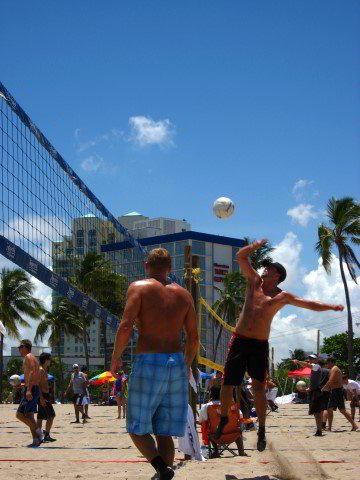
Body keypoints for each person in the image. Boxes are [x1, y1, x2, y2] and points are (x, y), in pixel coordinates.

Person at [215, 239, 345, 452]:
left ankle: (262, 431)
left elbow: (308, 304)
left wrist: (331, 306)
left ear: (277, 275)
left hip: (258, 344)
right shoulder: (254, 281)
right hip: (239, 341)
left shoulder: (281, 296)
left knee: (258, 387)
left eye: (270, 268)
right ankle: (222, 420)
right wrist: (254, 246)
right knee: (227, 384)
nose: (265, 268)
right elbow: (240, 256)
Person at [111, 247, 199, 480]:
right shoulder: (185, 295)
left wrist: (115, 356)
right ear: (170, 268)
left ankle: (162, 468)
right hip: (177, 362)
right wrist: (187, 364)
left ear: (146, 266)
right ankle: (164, 475)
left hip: (149, 361)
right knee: (164, 431)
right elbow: (194, 338)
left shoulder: (138, 287)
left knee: (135, 428)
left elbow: (126, 325)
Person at [292, 356, 328, 436]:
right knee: (317, 412)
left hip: (316, 393)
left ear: (316, 360)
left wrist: (297, 361)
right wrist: (307, 389)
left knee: (316, 413)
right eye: (310, 359)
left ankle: (319, 430)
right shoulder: (315, 369)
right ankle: (319, 430)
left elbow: (306, 365)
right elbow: (314, 383)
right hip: (315, 392)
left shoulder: (316, 366)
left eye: (312, 359)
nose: (311, 360)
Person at [15, 339, 43, 447]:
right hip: (33, 388)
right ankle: (36, 440)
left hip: (32, 389)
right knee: (30, 416)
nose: (19, 350)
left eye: (20, 348)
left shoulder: (28, 357)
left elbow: (31, 372)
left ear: (25, 347)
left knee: (19, 415)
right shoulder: (32, 358)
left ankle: (39, 432)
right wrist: (23, 385)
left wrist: (29, 390)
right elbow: (35, 375)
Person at [321, 357, 358, 432]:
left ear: (331, 362)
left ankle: (329, 428)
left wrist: (323, 388)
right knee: (342, 410)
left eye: (328, 363)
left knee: (330, 409)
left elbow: (331, 380)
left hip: (336, 392)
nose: (327, 364)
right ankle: (354, 425)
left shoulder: (334, 369)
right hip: (337, 391)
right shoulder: (334, 369)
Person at [37, 352, 56, 442]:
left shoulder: (44, 369)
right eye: (49, 359)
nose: (50, 361)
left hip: (45, 395)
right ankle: (46, 434)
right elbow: (37, 385)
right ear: (46, 360)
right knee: (51, 416)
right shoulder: (40, 370)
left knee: (40, 417)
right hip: (42, 396)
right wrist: (41, 398)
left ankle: (38, 436)